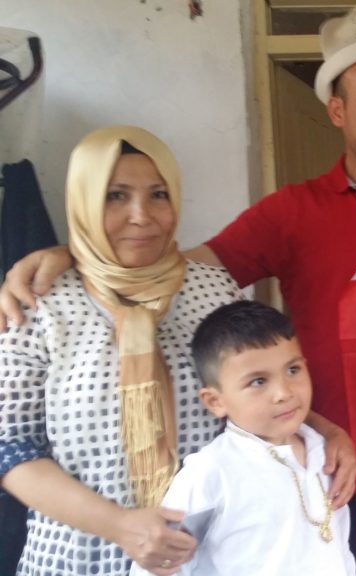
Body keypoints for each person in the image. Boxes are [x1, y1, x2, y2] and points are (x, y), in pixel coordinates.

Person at [0, 6, 356, 572]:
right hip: (299, 459)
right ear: (337, 109)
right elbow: (178, 261)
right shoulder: (291, 210)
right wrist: (75, 258)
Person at [0, 126, 245, 575]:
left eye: (158, 194)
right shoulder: (39, 304)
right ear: (84, 202)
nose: (141, 215)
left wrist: (323, 432)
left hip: (205, 554)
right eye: (115, 196)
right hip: (76, 556)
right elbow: (12, 449)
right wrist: (120, 526)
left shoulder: (215, 293)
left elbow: (258, 398)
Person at [132, 301, 356, 576]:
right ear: (215, 401)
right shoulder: (212, 471)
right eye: (258, 382)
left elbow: (339, 548)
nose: (283, 392)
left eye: (293, 370)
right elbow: (157, 565)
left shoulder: (327, 454)